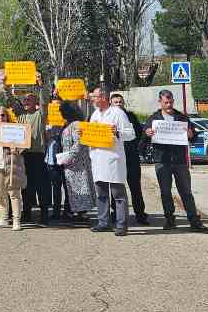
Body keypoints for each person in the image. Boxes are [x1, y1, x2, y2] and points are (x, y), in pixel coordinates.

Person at [144, 90, 208, 232]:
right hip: (162, 160)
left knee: (186, 191)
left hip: (180, 161)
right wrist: (147, 133)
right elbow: (144, 137)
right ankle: (169, 219)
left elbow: (193, 136)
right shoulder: (153, 119)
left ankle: (194, 220)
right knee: (165, 192)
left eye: (170, 102)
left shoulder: (182, 118)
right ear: (160, 102)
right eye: (165, 102)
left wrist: (190, 134)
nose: (168, 105)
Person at [87, 84, 134, 236]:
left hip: (113, 159)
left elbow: (130, 134)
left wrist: (118, 131)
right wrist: (84, 133)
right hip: (98, 159)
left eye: (95, 96)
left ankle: (121, 225)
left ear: (103, 97)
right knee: (101, 194)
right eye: (93, 96)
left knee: (118, 195)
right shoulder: (95, 115)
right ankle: (103, 222)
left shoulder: (117, 113)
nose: (93, 99)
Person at [110, 92, 150, 225]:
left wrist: (138, 148)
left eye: (120, 102)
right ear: (111, 104)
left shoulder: (131, 117)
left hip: (131, 157)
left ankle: (140, 214)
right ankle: (116, 214)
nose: (119, 104)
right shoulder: (107, 117)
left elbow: (140, 134)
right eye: (116, 102)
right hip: (115, 157)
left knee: (135, 187)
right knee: (116, 188)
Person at [0, 106, 26, 231]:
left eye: (3, 115)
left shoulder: (14, 128)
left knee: (14, 193)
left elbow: (24, 145)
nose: (0, 118)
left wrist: (17, 149)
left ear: (7, 116)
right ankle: (3, 218)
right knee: (1, 193)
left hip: (12, 164)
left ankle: (16, 220)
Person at [55, 101, 95, 217]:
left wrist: (70, 156)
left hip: (77, 163)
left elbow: (78, 143)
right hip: (69, 162)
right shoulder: (67, 124)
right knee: (73, 188)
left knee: (81, 187)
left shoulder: (77, 124)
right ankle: (73, 211)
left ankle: (82, 213)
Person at [18, 94, 51, 225]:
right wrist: (5, 87)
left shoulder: (40, 115)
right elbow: (10, 100)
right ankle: (27, 214)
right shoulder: (20, 115)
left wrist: (41, 87)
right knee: (26, 187)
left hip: (38, 156)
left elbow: (44, 103)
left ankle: (44, 215)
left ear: (36, 101)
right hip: (24, 155)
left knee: (41, 187)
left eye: (29, 99)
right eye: (24, 100)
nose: (25, 102)